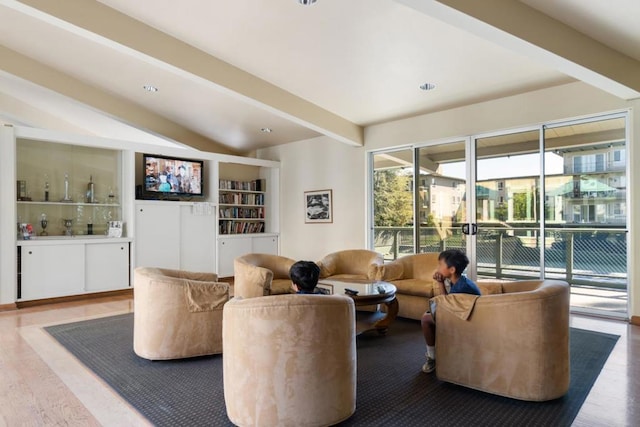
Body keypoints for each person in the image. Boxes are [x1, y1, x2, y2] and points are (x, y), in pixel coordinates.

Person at [421, 249, 481, 373]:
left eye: (440, 265)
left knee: (425, 319)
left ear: (452, 270)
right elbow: (448, 302)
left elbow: (446, 306)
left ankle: (432, 357)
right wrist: (440, 282)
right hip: (464, 315)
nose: (437, 268)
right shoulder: (460, 281)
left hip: (468, 321)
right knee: (429, 313)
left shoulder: (462, 287)